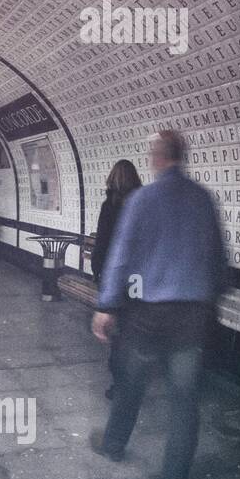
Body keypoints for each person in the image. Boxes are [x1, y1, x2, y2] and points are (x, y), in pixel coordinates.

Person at [90, 130, 227, 479]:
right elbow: (218, 260)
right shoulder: (203, 199)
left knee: (130, 384)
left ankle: (114, 444)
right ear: (181, 157)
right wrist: (209, 301)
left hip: (148, 316)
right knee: (185, 405)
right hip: (191, 318)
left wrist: (106, 306)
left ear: (155, 158)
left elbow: (119, 255)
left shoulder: (142, 200)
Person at [92, 159, 142, 398]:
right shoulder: (143, 204)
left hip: (115, 278)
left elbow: (102, 242)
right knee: (133, 328)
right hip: (138, 279)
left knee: (119, 333)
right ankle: (135, 379)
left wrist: (97, 272)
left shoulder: (109, 206)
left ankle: (120, 384)